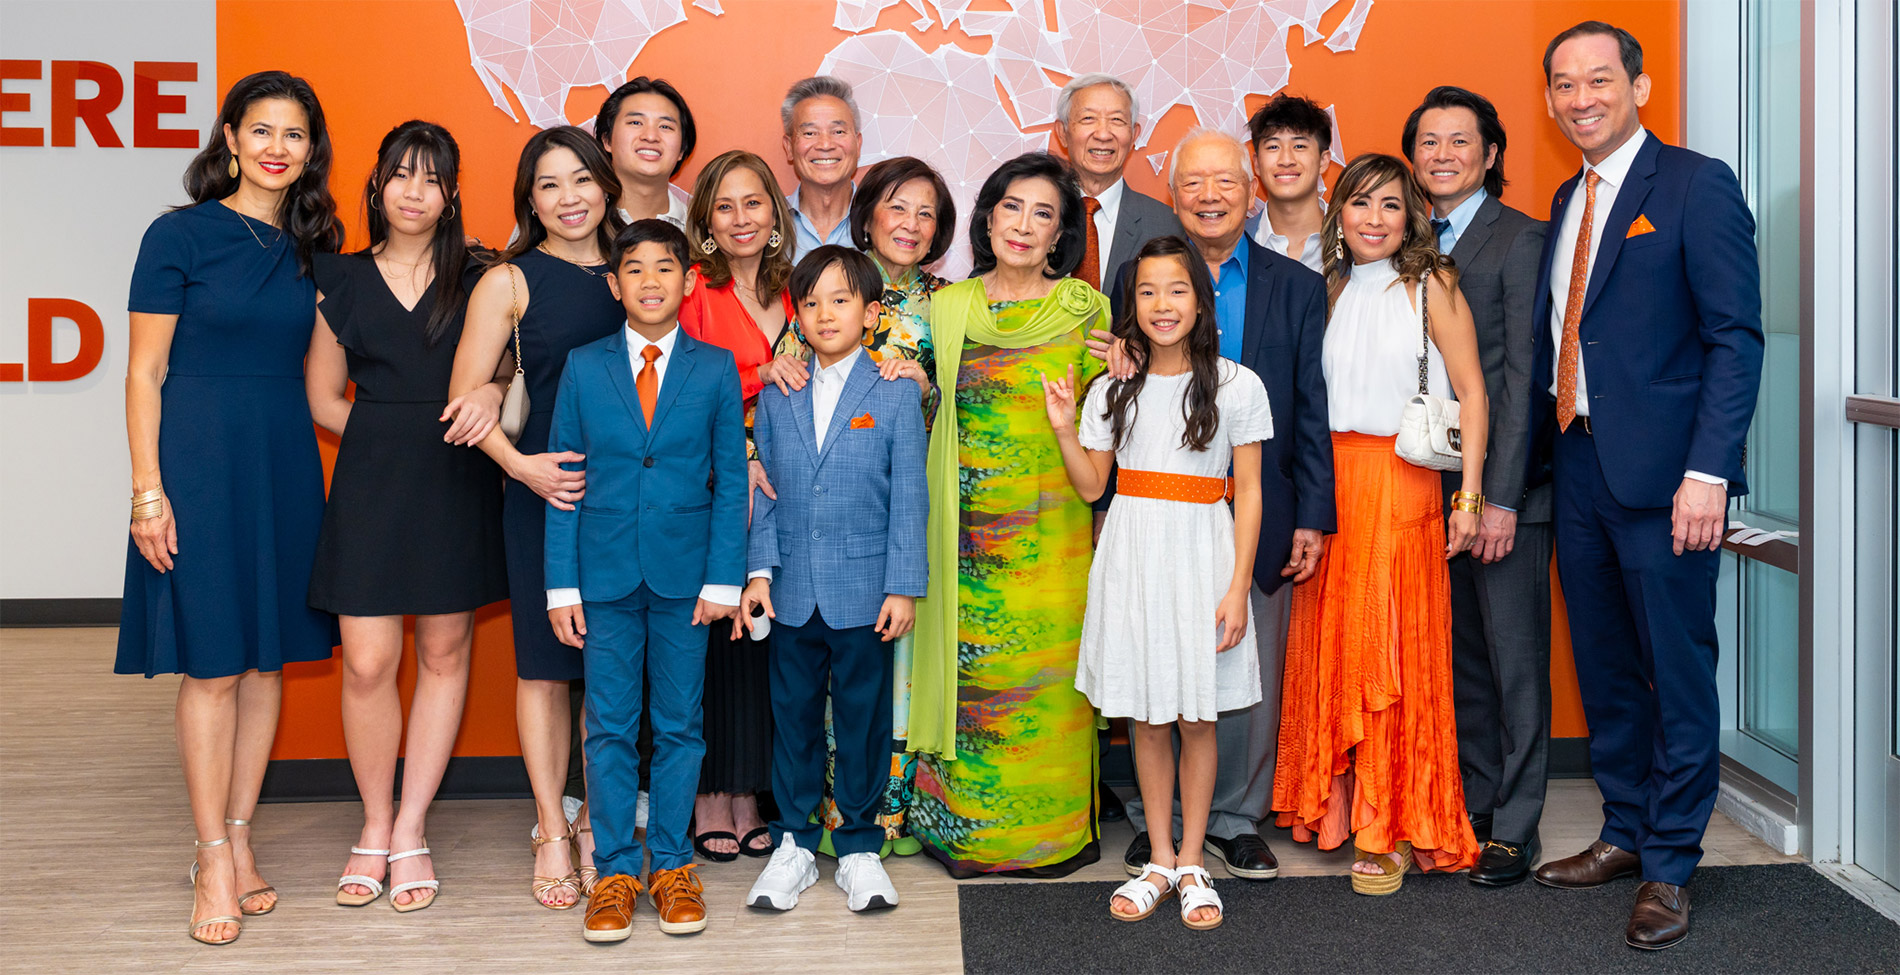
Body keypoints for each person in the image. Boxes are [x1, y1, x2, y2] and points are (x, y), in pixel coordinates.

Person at [1527, 22, 1763, 952]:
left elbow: (1733, 340)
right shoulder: (1566, 193)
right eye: (1563, 84)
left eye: (1598, 80)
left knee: (1675, 669)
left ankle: (1670, 860)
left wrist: (1708, 471)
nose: (1580, 97)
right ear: (1547, 98)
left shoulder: (1697, 186)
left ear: (1640, 85)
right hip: (1577, 462)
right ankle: (1624, 829)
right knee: (1608, 667)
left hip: (1668, 478)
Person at [119, 69, 344, 946]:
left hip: (284, 459)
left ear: (309, 149)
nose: (277, 148)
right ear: (230, 136)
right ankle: (209, 853)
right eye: (261, 131)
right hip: (200, 460)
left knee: (264, 663)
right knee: (211, 663)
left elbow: (334, 373)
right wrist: (148, 488)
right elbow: (142, 371)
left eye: (294, 134)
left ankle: (241, 838)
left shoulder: (311, 248)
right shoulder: (178, 236)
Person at [1116, 129, 1334, 886]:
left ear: (1251, 194)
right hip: (1158, 512)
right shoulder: (1140, 277)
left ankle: (1235, 821)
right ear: (1173, 196)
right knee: (1151, 673)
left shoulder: (1297, 286)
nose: (1211, 195)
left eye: (1226, 183)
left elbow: (1312, 407)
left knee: (1237, 671)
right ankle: (1159, 825)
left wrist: (1312, 515)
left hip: (1256, 507)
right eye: (1194, 183)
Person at [1271, 152, 1488, 893]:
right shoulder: (1324, 287)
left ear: (1412, 216)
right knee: (1334, 644)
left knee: (1387, 652)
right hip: (1329, 485)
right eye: (1360, 203)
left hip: (1402, 485)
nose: (1374, 219)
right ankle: (1333, 807)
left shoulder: (1434, 284)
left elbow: (1473, 393)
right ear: (1340, 213)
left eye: (1390, 205)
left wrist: (1470, 497)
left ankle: (1390, 823)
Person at [307, 121, 508, 913]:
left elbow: (510, 367)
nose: (414, 191)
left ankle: (412, 828)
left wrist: (492, 389)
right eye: (399, 175)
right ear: (378, 186)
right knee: (365, 661)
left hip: (458, 475)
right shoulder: (340, 279)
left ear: (451, 192)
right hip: (371, 483)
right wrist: (388, 433)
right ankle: (374, 818)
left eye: (431, 178)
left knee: (447, 649)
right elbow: (324, 397)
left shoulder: (486, 275)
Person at [1048, 235, 1273, 930]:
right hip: (1132, 556)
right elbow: (1092, 485)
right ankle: (1161, 860)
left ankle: (1196, 860)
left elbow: (1253, 493)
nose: (1161, 304)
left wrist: (1237, 587)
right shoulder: (1114, 386)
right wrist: (1063, 426)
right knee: (1147, 715)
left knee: (1197, 716)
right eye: (1146, 292)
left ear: (1200, 301)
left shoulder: (1238, 384)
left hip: (1202, 556)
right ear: (1130, 306)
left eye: (1176, 289)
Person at [907, 152, 1110, 878]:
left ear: (1061, 234)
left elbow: (1103, 423)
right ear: (988, 218)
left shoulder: (1086, 310)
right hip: (959, 534)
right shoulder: (946, 308)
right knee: (973, 695)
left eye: (1044, 213)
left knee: (1049, 692)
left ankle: (1053, 836)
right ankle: (967, 835)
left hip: (1054, 537)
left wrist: (1129, 368)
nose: (1024, 225)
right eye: (1012, 207)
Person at [545, 219, 747, 943]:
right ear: (614, 283)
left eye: (667, 268)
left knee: (678, 725)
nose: (652, 281)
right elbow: (565, 477)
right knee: (607, 727)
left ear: (690, 280)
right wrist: (560, 587)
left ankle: (671, 865)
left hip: (686, 579)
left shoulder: (716, 367)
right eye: (636, 269)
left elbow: (730, 485)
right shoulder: (583, 365)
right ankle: (617, 873)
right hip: (601, 579)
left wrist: (725, 575)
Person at [447, 125, 628, 910]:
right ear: (529, 200)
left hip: (632, 500)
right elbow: (464, 400)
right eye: (548, 185)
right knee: (545, 668)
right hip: (546, 498)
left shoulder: (640, 266)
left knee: (612, 667)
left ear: (606, 183)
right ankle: (553, 825)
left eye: (581, 179)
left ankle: (599, 823)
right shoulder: (509, 282)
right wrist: (523, 469)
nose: (569, 198)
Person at [760, 156, 951, 858]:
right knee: (802, 709)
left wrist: (924, 376)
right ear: (868, 212)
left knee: (878, 701)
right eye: (898, 207)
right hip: (805, 559)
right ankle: (805, 831)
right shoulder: (823, 285)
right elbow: (776, 425)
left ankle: (877, 828)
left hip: (895, 532)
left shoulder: (950, 303)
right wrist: (764, 368)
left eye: (926, 212)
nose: (911, 223)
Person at [742, 246, 929, 913]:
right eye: (812, 301)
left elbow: (910, 494)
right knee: (791, 721)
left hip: (865, 592)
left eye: (842, 300)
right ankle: (793, 843)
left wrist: (903, 585)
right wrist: (757, 572)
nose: (825, 313)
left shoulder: (896, 391)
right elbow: (760, 487)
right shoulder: (777, 390)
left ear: (872, 314)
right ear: (798, 313)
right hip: (790, 589)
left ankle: (856, 846)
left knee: (863, 719)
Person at [1401, 85, 1553, 887]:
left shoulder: (1521, 239)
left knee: (1516, 659)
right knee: (1461, 658)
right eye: (1428, 143)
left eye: (1460, 141)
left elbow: (1525, 379)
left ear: (1491, 154)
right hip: (1430, 492)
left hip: (1503, 495)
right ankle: (1480, 804)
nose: (1443, 155)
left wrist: (1500, 497)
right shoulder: (1405, 242)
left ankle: (1517, 828)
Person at [677, 149, 797, 860]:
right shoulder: (693, 287)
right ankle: (706, 792)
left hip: (787, 488)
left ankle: (750, 787)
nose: (740, 218)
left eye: (753, 203)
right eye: (724, 206)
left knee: (763, 644)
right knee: (711, 638)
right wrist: (758, 379)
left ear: (774, 215)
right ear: (705, 222)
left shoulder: (798, 290)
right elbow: (686, 387)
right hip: (712, 485)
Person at [1051, 73, 1184, 291]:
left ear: (1133, 135)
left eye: (1117, 120)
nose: (1103, 134)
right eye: (1088, 119)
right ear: (1063, 133)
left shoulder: (1167, 225)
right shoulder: (1033, 215)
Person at [1245, 94, 1331, 274]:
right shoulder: (1237, 240)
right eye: (1273, 147)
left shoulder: (1355, 238)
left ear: (1323, 161)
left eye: (1299, 146)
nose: (1286, 160)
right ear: (1257, 164)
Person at [594, 76, 695, 227]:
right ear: (607, 140)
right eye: (636, 123)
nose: (651, 136)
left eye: (665, 126)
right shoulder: (582, 221)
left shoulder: (699, 232)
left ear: (682, 149)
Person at [781, 76, 862, 261]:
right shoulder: (767, 225)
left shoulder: (882, 225)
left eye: (838, 132)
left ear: (858, 145)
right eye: (810, 133)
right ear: (788, 147)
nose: (825, 145)